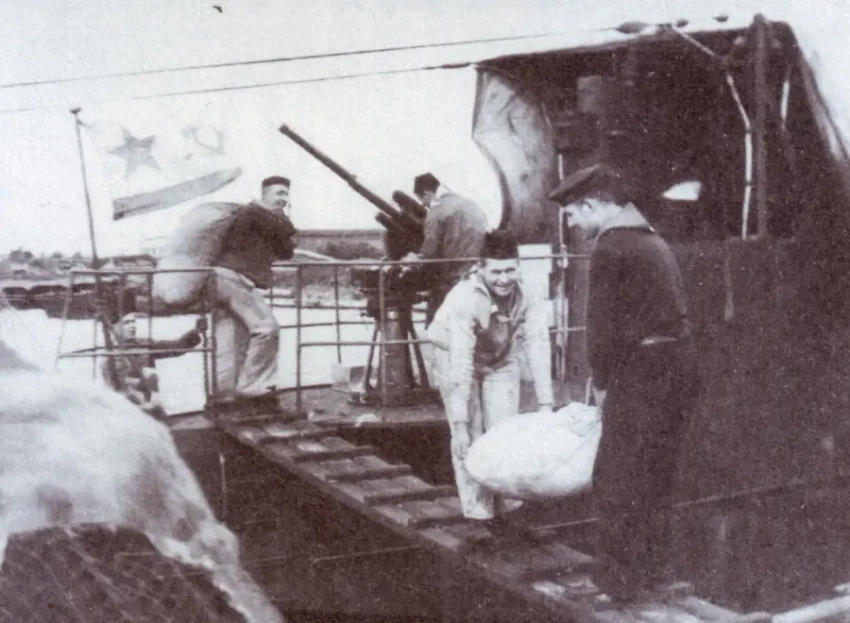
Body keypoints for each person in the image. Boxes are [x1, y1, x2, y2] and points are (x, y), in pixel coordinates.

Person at [548, 164, 701, 601]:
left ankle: (617, 585)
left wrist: (601, 387)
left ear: (592, 206)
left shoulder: (611, 246)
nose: (572, 224)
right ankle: (653, 575)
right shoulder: (650, 238)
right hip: (679, 364)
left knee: (616, 477)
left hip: (644, 371)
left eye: (572, 214)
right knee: (657, 473)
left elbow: (601, 328)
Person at [427, 230, 554, 525]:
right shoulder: (465, 298)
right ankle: (478, 513)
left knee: (504, 434)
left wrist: (546, 404)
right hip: (454, 356)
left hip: (498, 356)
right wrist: (459, 424)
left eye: (510, 270)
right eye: (496, 272)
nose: (504, 279)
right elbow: (461, 363)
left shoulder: (530, 292)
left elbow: (538, 344)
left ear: (519, 267)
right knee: (470, 437)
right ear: (480, 268)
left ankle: (510, 509)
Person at [212, 175, 297, 411]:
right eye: (279, 193)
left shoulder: (263, 218)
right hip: (233, 279)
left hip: (225, 281)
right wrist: (283, 219)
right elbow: (285, 233)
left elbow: (286, 252)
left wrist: (281, 225)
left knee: (233, 338)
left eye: (286, 194)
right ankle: (255, 392)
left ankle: (226, 397)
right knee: (267, 329)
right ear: (264, 195)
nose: (284, 198)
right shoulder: (252, 212)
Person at [409, 173, 488, 325]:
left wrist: (415, 259)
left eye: (422, 200)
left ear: (426, 194)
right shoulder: (472, 205)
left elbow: (430, 252)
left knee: (436, 323)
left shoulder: (436, 213)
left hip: (451, 279)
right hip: (478, 274)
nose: (424, 205)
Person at [102, 310, 207, 421]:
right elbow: (115, 385)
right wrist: (140, 382)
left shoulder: (144, 344)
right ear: (117, 327)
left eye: (133, 322)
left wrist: (195, 332)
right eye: (127, 323)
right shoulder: (110, 354)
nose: (132, 326)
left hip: (150, 401)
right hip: (127, 407)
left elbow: (175, 347)